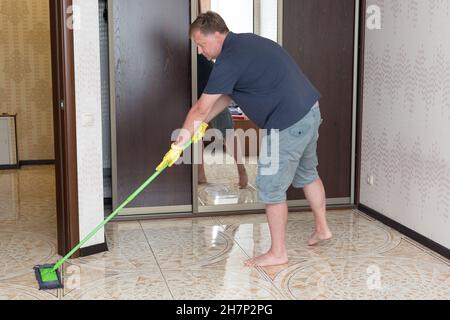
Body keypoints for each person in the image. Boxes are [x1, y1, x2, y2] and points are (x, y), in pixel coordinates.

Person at [172, 11, 332, 267]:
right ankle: (322, 228)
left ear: (216, 35)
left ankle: (278, 252)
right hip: (310, 112)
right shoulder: (246, 43)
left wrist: (179, 143)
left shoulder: (229, 59)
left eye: (201, 45)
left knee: (270, 186)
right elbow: (223, 99)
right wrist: (197, 127)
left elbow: (201, 108)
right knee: (308, 174)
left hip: (287, 122)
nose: (200, 52)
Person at [197, 54, 248, 189]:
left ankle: (241, 169)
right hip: (195, 95)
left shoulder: (201, 57)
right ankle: (200, 175)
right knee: (196, 136)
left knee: (227, 132)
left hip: (214, 93)